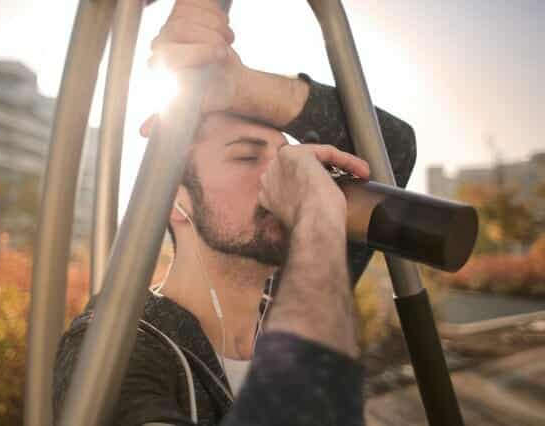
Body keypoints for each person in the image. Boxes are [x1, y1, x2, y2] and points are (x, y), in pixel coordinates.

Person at [53, 1, 416, 425]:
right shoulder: (115, 345)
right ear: (171, 199)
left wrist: (239, 86)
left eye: (286, 158)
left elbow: (389, 149)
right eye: (246, 157)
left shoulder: (290, 297)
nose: (281, 176)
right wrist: (317, 225)